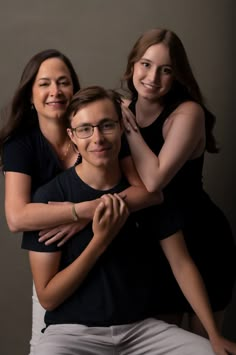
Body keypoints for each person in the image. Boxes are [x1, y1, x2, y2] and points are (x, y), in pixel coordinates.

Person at [22, 85, 236, 355]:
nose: (97, 138)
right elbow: (48, 298)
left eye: (106, 125)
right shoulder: (51, 198)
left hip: (141, 329)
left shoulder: (145, 193)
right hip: (71, 333)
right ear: (72, 136)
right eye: (85, 129)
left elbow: (181, 263)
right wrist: (100, 241)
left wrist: (214, 336)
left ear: (122, 127)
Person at [0, 50, 161, 354]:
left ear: (74, 89)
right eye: (44, 84)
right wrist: (81, 211)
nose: (55, 91)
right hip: (54, 259)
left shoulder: (95, 129)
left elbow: (148, 192)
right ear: (30, 96)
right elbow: (16, 217)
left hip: (115, 265)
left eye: (63, 82)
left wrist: (88, 215)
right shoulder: (21, 145)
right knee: (46, 341)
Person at [121, 28, 236, 337]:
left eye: (166, 70)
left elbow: (155, 179)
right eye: (145, 64)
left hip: (202, 242)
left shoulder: (188, 113)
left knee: (203, 344)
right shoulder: (120, 111)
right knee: (163, 342)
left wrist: (129, 129)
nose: (152, 77)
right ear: (132, 65)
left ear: (177, 76)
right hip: (156, 245)